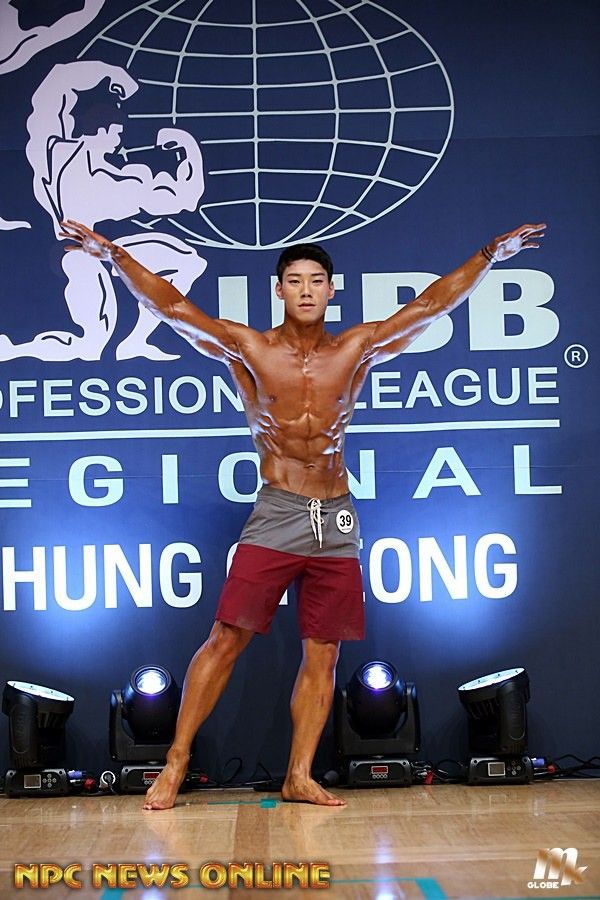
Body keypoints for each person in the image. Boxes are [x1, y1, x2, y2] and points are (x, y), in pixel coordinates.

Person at [59, 218, 546, 808]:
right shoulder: (252, 348)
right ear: (279, 290)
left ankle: (299, 774)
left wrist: (490, 253)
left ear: (332, 290)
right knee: (226, 637)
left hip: (336, 514)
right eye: (295, 281)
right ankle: (176, 761)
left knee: (325, 649)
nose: (307, 290)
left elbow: (430, 306)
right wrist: (113, 255)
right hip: (278, 510)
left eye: (317, 280)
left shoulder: (355, 349)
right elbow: (173, 307)